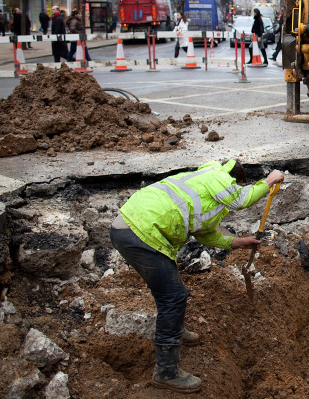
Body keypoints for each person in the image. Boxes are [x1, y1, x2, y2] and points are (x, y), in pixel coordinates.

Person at [109, 160, 284, 393]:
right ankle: (166, 371)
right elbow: (242, 199)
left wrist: (235, 242)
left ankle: (176, 332)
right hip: (140, 231)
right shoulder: (219, 176)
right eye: (237, 186)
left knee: (169, 289)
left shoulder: (204, 187)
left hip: (133, 229)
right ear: (237, 181)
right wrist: (269, 180)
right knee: (173, 296)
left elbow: (205, 234)